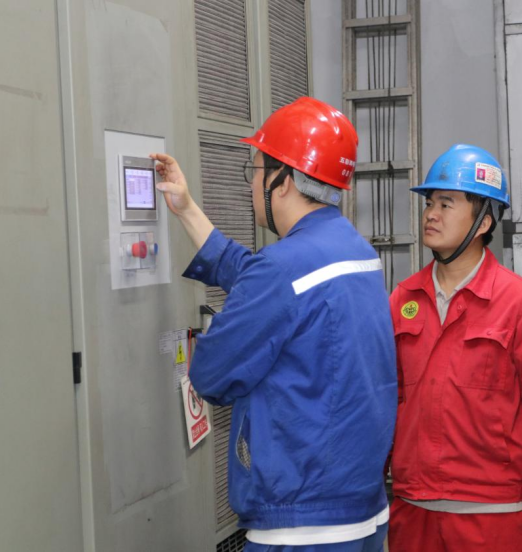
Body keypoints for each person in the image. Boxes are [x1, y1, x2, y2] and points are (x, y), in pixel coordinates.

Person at [152, 96, 397, 552]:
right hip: (362, 514)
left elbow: (212, 376)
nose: (252, 184)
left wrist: (217, 335)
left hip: (301, 526)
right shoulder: (355, 250)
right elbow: (266, 280)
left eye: (257, 170)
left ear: (282, 180)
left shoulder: (282, 270)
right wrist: (186, 209)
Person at [387, 144, 522, 551]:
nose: (431, 214)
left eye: (446, 204)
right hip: (413, 506)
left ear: (484, 221)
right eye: (429, 203)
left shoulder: (521, 303)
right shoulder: (402, 298)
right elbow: (385, 396)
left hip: (490, 510)